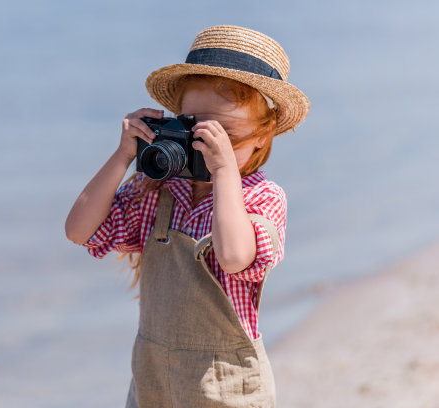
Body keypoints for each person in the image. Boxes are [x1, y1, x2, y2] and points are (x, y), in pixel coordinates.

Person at [65, 25, 309, 408]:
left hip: (224, 385)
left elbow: (233, 257)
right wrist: (123, 156)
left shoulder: (262, 198)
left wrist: (226, 171)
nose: (206, 146)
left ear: (265, 133)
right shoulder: (158, 190)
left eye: (222, 134)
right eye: (194, 128)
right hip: (153, 380)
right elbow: (79, 231)